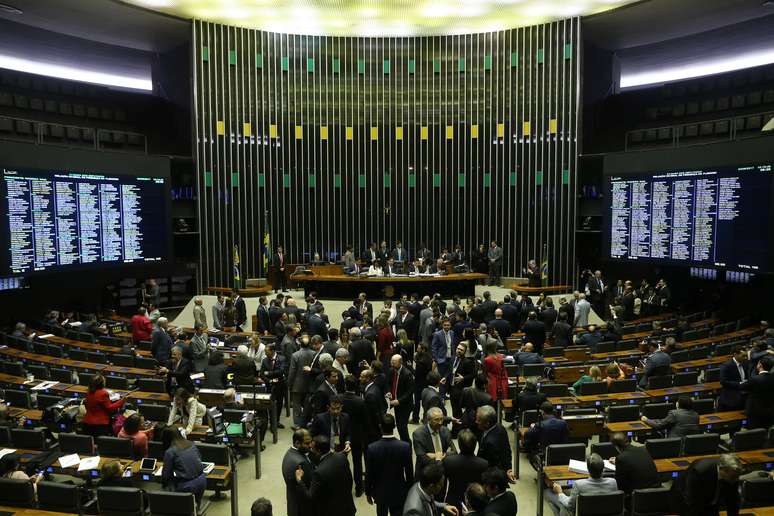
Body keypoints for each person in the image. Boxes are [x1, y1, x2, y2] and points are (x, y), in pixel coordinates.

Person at [295, 435, 356, 516]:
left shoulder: (319, 472)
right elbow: (349, 480)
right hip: (348, 507)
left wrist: (299, 480)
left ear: (319, 451)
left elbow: (310, 496)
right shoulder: (342, 457)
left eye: (312, 448)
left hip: (331, 511)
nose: (310, 449)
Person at [365, 413, 413, 516]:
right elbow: (409, 473)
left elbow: (369, 473)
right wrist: (409, 491)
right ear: (394, 426)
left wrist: (368, 492)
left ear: (380, 426)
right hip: (399, 491)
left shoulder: (372, 448)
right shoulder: (405, 446)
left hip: (380, 492)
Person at [544, 453, 618, 516]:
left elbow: (569, 506)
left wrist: (560, 492)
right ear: (603, 469)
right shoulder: (613, 482)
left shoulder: (579, 484)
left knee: (548, 493)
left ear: (588, 469)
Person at [671, 453, 743, 515]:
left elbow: (732, 500)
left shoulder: (733, 474)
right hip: (685, 501)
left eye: (737, 476)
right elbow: (692, 501)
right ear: (723, 469)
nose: (736, 479)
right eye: (733, 477)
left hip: (710, 502)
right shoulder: (699, 471)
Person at [443, 429, 489, 510]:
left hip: (453, 502)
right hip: (475, 503)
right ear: (475, 445)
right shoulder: (484, 464)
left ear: (459, 445)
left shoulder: (448, 461)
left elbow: (443, 485)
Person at [160, 426, 206, 503]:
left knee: (166, 488)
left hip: (187, 486)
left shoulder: (170, 452)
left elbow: (166, 475)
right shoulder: (192, 444)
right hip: (202, 480)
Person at [475, 405, 515, 480]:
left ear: (487, 423)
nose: (476, 422)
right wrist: (508, 469)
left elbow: (491, 465)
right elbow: (507, 450)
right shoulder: (500, 427)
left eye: (479, 420)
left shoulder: (490, 443)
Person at [412, 406, 456, 474]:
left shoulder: (445, 430)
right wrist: (440, 458)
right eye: (436, 419)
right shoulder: (418, 434)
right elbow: (422, 458)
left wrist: (437, 456)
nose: (440, 422)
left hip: (443, 471)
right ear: (428, 420)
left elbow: (454, 452)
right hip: (426, 472)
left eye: (441, 419)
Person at [523, 402, 569, 467]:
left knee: (531, 454)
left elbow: (527, 435)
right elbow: (567, 436)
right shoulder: (563, 423)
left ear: (542, 412)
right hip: (561, 452)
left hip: (545, 454)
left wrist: (532, 427)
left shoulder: (540, 425)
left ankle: (541, 474)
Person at [282, 429, 315, 516]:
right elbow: (310, 485)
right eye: (307, 443)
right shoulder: (301, 463)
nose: (310, 445)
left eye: (311, 442)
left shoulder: (289, 453)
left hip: (293, 501)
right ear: (297, 443)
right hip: (303, 507)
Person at [449, 343, 476, 436]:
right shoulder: (452, 358)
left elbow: (473, 374)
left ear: (464, 352)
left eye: (461, 350)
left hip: (461, 390)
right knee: (455, 410)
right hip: (452, 388)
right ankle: (458, 429)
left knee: (458, 411)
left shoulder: (467, 362)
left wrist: (463, 378)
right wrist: (445, 377)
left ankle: (456, 431)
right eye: (458, 348)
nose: (459, 351)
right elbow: (449, 371)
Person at [741, 355, 774, 429]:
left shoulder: (755, 379)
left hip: (755, 413)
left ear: (760, 365)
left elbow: (743, 387)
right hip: (770, 411)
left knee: (755, 435)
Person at [387, 354, 414, 442]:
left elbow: (409, 392)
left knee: (402, 427)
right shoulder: (391, 371)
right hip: (396, 403)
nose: (392, 364)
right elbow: (388, 383)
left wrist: (398, 401)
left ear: (400, 362)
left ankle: (407, 444)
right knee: (399, 425)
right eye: (391, 362)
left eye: (394, 362)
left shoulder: (407, 374)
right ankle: (404, 443)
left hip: (405, 405)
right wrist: (389, 392)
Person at [259, 343, 287, 428]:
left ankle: (276, 421)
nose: (265, 353)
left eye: (267, 351)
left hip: (280, 385)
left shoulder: (282, 358)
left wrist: (269, 373)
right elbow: (262, 374)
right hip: (269, 386)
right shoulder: (265, 360)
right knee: (270, 405)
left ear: (273, 351)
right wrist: (270, 380)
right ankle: (272, 423)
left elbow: (281, 371)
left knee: (279, 405)